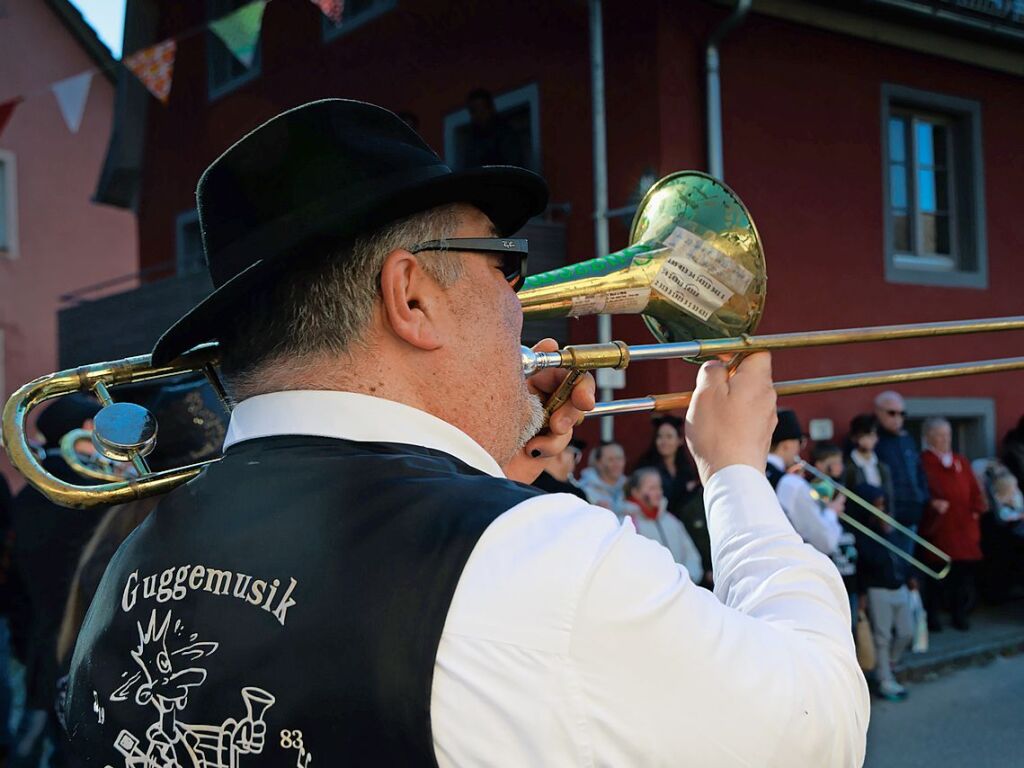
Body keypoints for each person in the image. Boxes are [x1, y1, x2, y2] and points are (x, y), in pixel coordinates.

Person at [64, 99, 867, 766]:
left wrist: (475, 480)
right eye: (504, 266)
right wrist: (734, 475)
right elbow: (817, 724)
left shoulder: (122, 575)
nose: (526, 304)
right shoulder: (542, 565)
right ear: (411, 297)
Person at [11, 393, 106, 768]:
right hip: (89, 653)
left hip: (44, 648)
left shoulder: (27, 497)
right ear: (81, 432)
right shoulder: (93, 493)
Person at [919, 417, 987, 631]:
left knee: (961, 576)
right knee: (936, 577)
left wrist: (976, 511)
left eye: (947, 434)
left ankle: (960, 614)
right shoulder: (924, 462)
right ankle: (933, 617)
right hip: (940, 529)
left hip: (964, 528)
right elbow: (920, 491)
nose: (944, 439)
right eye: (939, 435)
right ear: (928, 437)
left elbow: (976, 491)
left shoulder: (960, 460)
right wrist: (932, 504)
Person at [850, 484, 913, 702]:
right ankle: (885, 679)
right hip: (878, 590)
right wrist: (880, 532)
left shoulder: (890, 529)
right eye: (877, 505)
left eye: (883, 505)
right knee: (882, 637)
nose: (882, 509)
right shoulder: (863, 533)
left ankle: (890, 663)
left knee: (907, 631)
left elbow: (901, 556)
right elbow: (871, 561)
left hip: (899, 587)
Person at [633, 415, 710, 584]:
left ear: (680, 440)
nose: (663, 441)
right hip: (656, 525)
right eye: (660, 437)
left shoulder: (687, 469)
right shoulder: (646, 468)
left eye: (669, 436)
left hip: (686, 529)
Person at [766, 409, 844, 556]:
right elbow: (825, 541)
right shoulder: (791, 484)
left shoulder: (749, 475)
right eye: (800, 442)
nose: (800, 449)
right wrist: (831, 512)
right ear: (786, 445)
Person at [873, 391, 933, 555]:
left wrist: (924, 497)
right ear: (878, 412)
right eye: (892, 413)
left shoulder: (907, 440)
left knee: (908, 563)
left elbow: (919, 471)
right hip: (888, 514)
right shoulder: (874, 441)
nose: (897, 418)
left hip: (912, 512)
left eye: (901, 413)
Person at [618, 468, 703, 581]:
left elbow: (691, 554)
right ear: (635, 492)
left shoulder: (671, 520)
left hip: (684, 589)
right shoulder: (627, 524)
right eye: (652, 488)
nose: (658, 492)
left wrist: (689, 578)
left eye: (659, 487)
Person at [811, 443, 858, 627]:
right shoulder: (817, 488)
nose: (839, 467)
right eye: (834, 463)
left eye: (840, 462)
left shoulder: (842, 485)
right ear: (820, 465)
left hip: (849, 565)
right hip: (830, 563)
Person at [843, 413, 895, 512]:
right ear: (855, 437)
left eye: (873, 435)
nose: (870, 439)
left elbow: (889, 498)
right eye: (865, 435)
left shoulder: (882, 467)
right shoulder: (847, 467)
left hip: (880, 520)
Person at [463, 88, 525, 168]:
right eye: (473, 111)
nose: (478, 115)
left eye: (481, 110)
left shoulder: (506, 134)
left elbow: (513, 167)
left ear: (490, 109)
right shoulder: (471, 141)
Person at [579, 441, 627, 511]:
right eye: (611, 459)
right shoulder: (584, 491)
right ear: (598, 463)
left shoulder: (631, 488)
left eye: (619, 458)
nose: (617, 464)